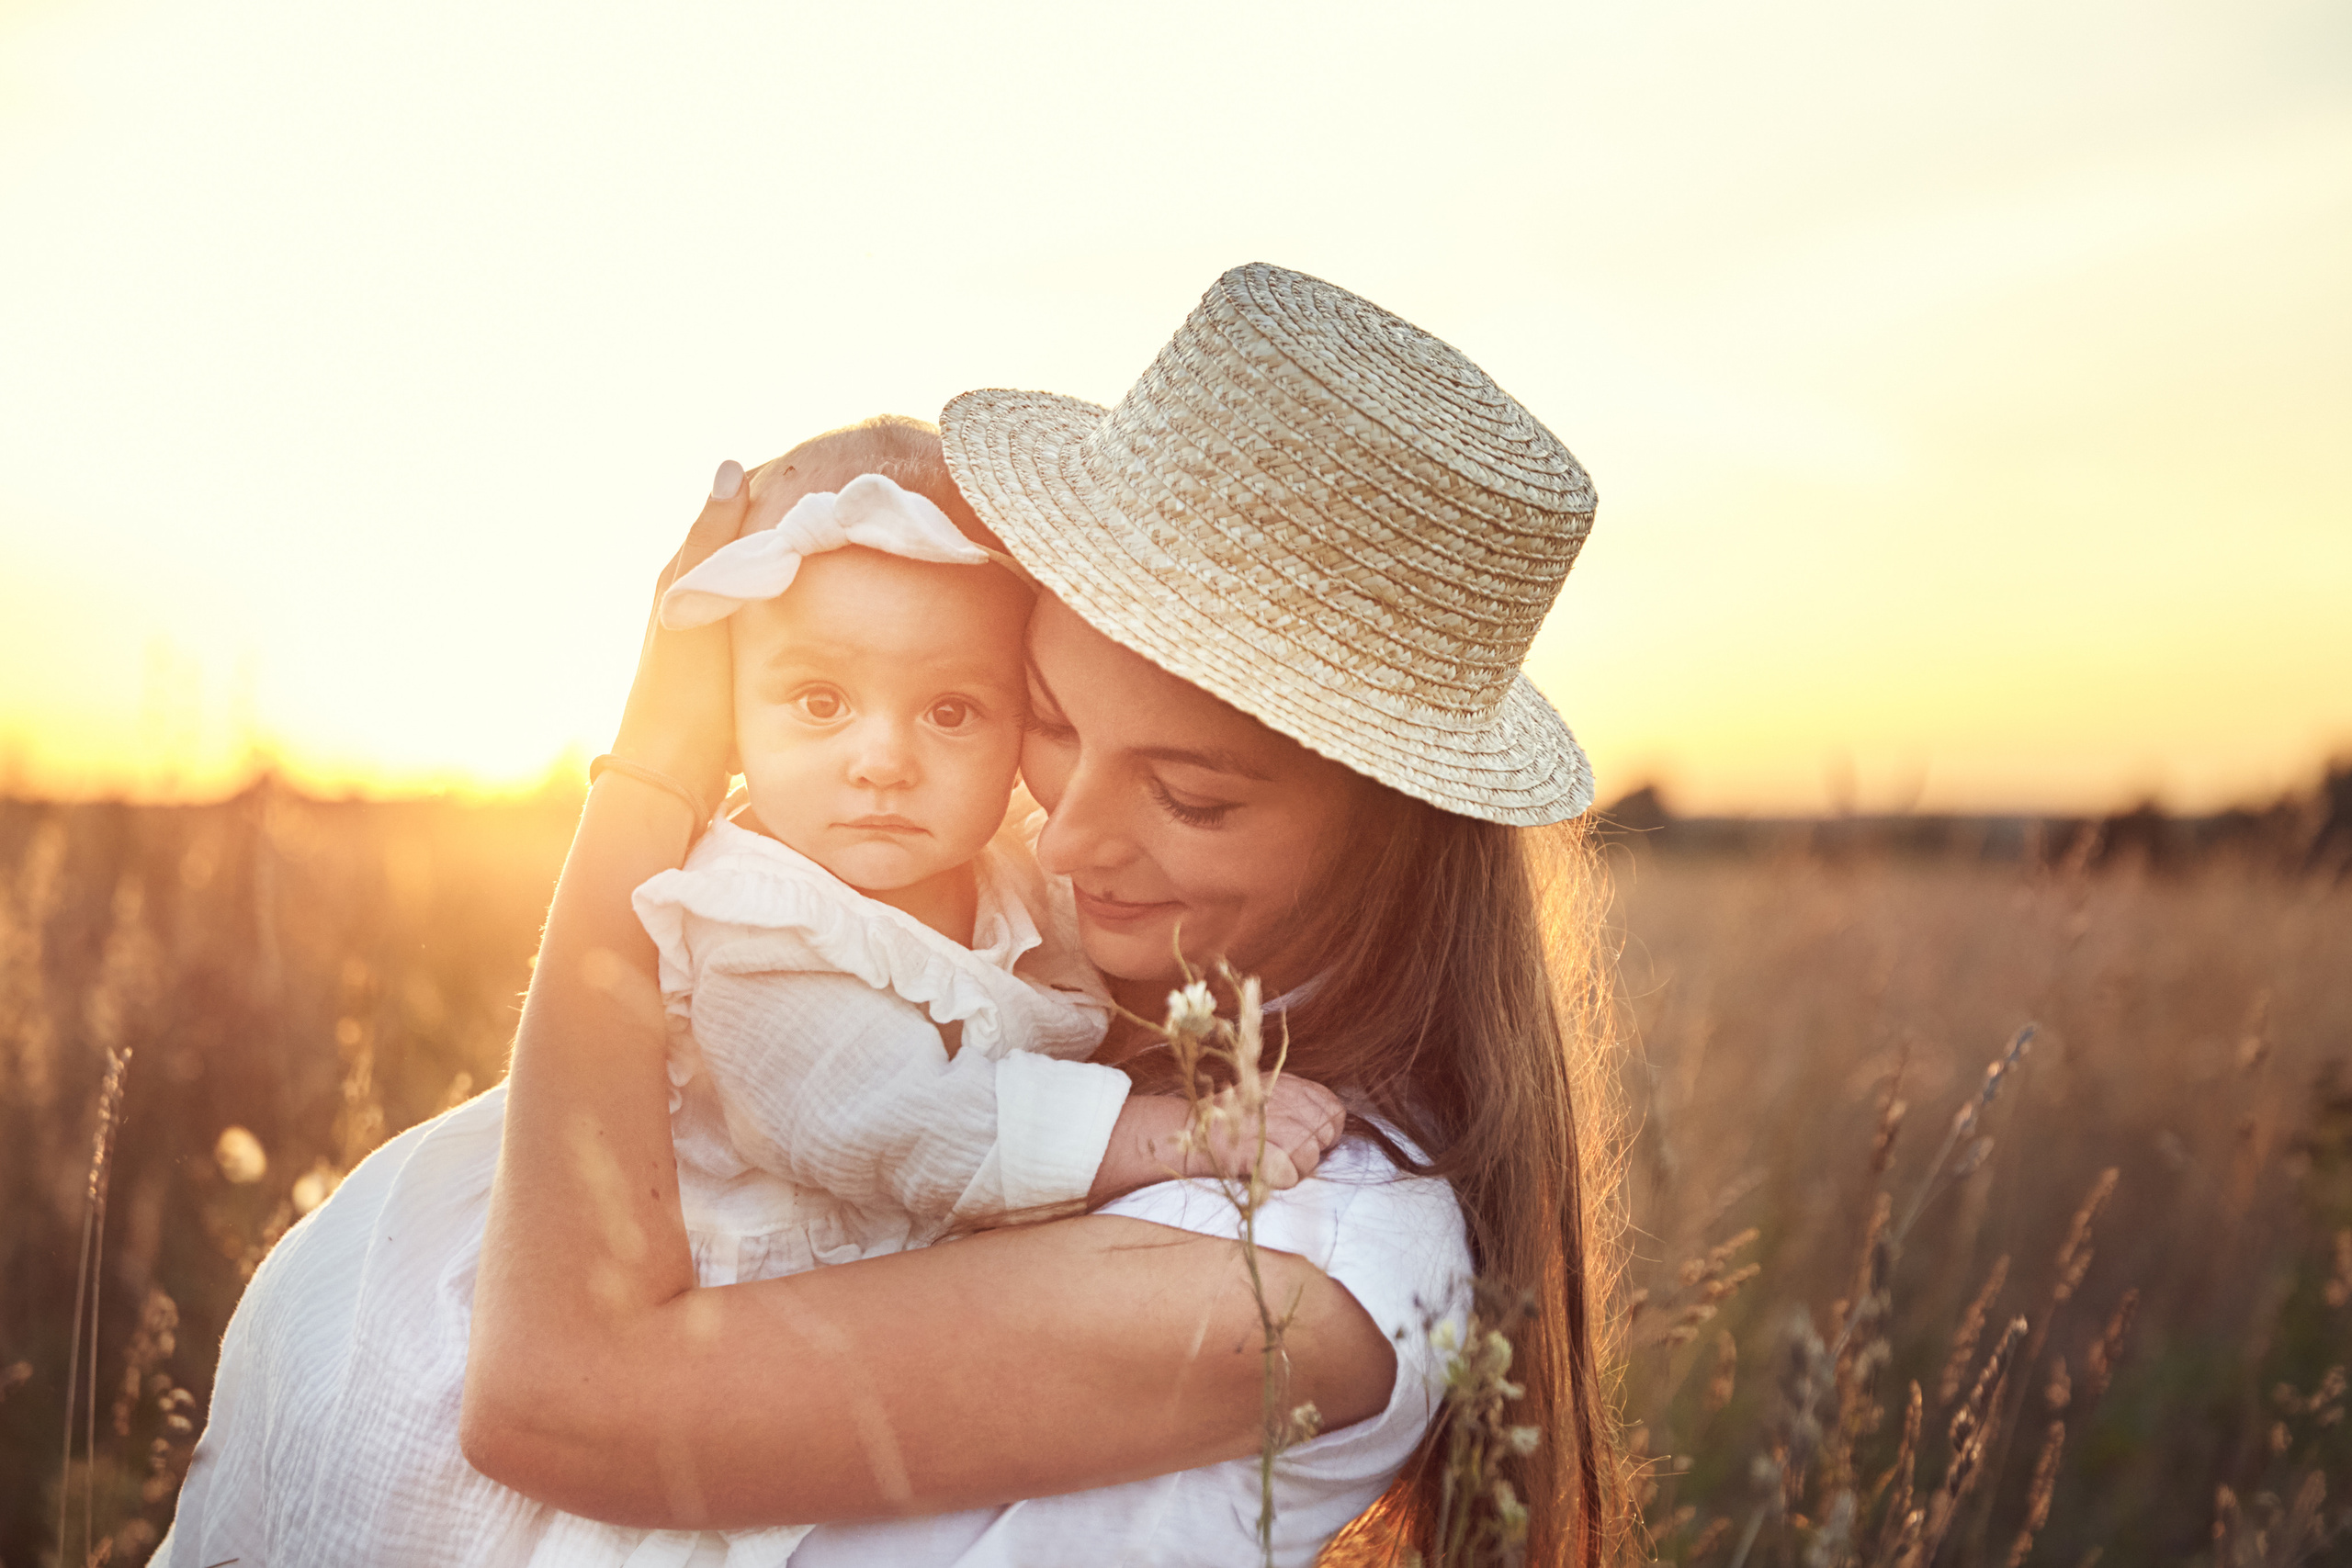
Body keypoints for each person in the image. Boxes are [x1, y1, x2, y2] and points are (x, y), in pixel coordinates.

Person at [458, 263, 1625, 1567]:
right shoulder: (1090, 976)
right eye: (1051, 723)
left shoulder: (1292, 1265)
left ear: (1395, 836)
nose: (1062, 842)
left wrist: (653, 778)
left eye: (1189, 796)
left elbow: (551, 1404)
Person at [156, 424, 1346, 1568]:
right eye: (819, 702)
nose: (882, 758)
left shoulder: (1015, 878)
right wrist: (1171, 1133)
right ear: (728, 714)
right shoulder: (754, 916)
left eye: (953, 710)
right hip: (699, 1269)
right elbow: (878, 1115)